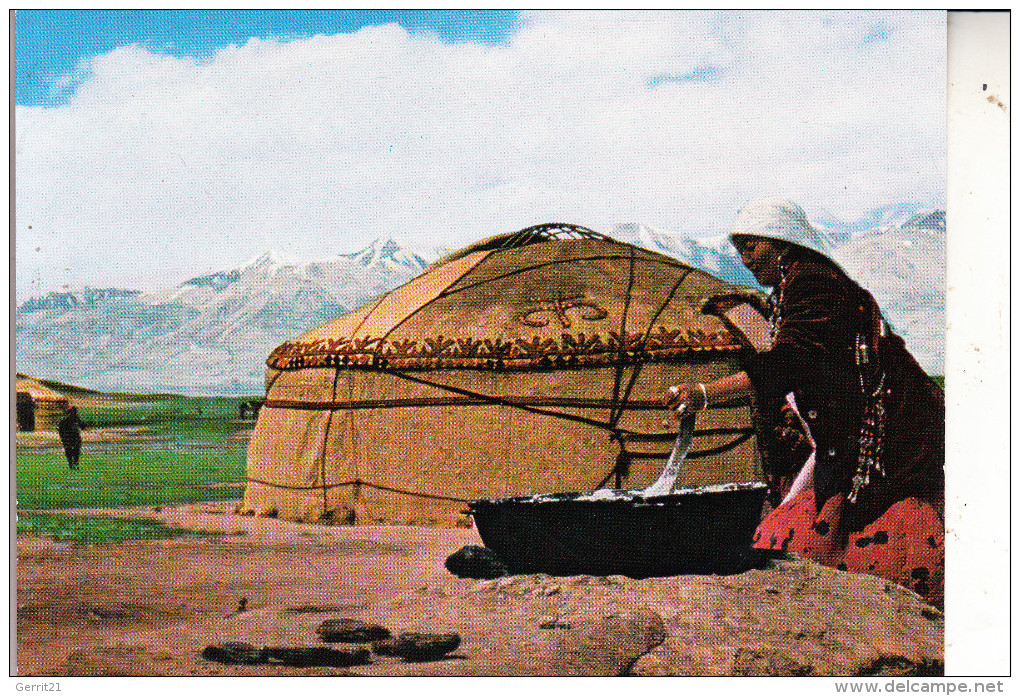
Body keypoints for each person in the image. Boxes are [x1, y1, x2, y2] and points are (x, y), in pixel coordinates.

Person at [663, 198, 945, 607]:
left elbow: (791, 362)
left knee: (857, 544)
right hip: (848, 433)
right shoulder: (794, 284)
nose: (745, 260)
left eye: (752, 248)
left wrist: (706, 393)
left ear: (780, 242)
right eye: (739, 250)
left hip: (882, 435)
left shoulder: (813, 282)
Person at [58, 406, 86, 471]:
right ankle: (73, 464)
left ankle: (73, 464)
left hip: (71, 437)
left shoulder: (70, 419)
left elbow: (82, 426)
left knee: (72, 451)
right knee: (73, 451)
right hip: (71, 437)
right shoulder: (71, 419)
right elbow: (83, 426)